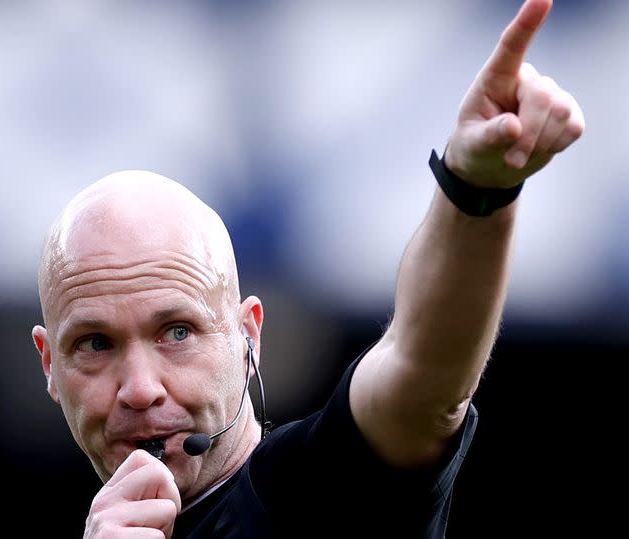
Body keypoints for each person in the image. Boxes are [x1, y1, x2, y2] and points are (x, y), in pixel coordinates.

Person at [31, 0, 584, 536]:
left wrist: (476, 186)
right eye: (96, 344)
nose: (140, 388)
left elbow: (421, 373)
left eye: (178, 332)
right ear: (50, 366)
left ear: (249, 336)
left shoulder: (312, 494)